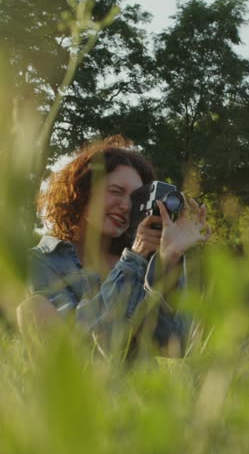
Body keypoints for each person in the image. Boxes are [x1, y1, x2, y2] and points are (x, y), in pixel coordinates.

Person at [23, 134, 211, 359]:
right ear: (81, 192)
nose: (124, 206)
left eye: (133, 198)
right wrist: (134, 260)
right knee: (31, 308)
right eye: (115, 191)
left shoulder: (145, 257)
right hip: (76, 387)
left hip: (136, 390)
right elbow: (86, 344)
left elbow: (177, 342)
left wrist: (168, 262)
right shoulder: (42, 261)